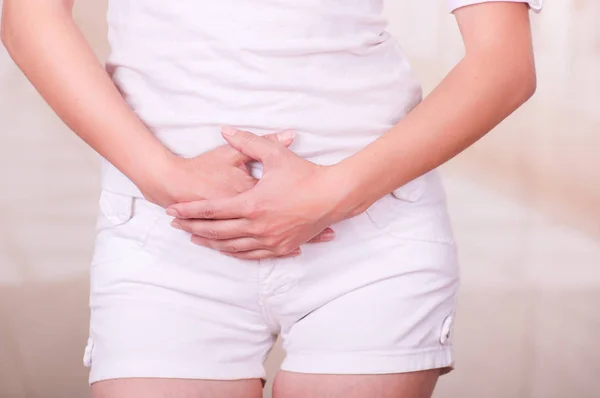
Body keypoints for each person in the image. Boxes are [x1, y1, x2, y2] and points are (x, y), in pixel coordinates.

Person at [1, 0, 542, 396]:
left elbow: (503, 64)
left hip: (369, 232)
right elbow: (27, 14)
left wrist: (330, 196)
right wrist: (161, 176)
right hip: (168, 232)